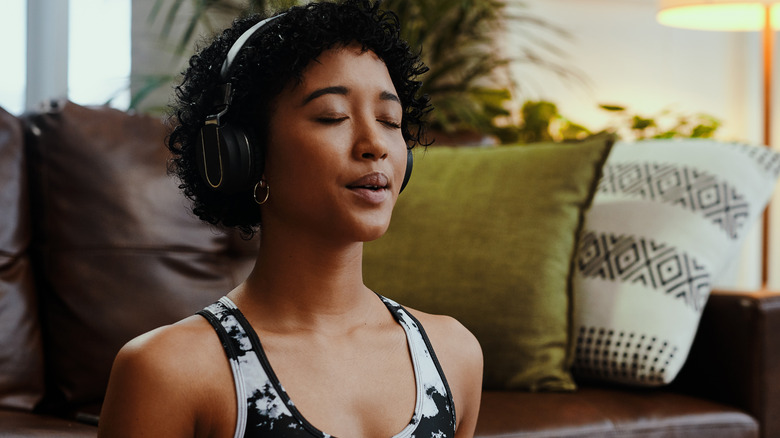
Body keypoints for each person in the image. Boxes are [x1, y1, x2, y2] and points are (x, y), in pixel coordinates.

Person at [98, 1, 483, 437]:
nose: (375, 143)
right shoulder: (171, 372)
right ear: (245, 155)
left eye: (389, 119)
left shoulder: (454, 354)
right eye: (332, 116)